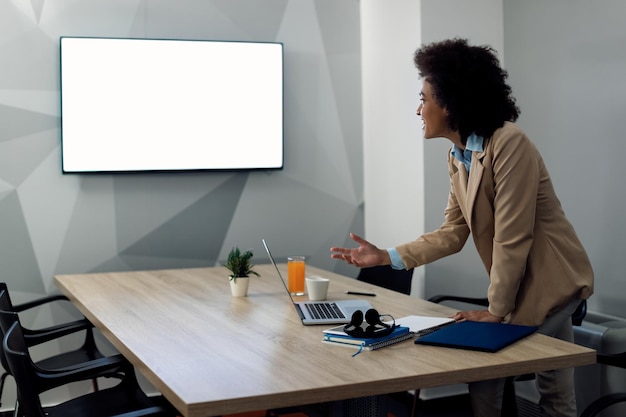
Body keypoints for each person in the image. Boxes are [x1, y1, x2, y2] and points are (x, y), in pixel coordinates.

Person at [330, 38, 593, 417]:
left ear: (451, 103)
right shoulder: (458, 156)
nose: (418, 108)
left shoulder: (509, 144)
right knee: (555, 388)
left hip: (553, 281)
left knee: (489, 372)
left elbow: (512, 236)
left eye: (424, 98)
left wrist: (496, 310)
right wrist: (386, 256)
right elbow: (453, 232)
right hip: (524, 285)